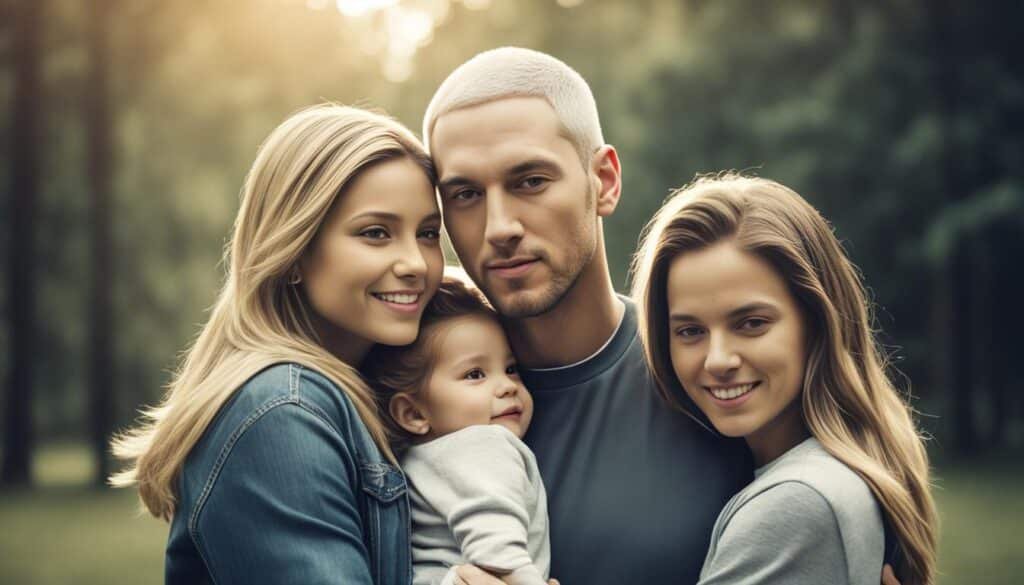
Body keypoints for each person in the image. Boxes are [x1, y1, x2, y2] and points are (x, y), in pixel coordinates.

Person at [421, 47, 752, 584]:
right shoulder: (403, 400)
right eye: (466, 194)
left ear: (604, 180)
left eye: (529, 180)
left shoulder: (717, 376)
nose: (500, 225)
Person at [109, 104, 445, 584]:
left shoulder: (363, 391)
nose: (415, 262)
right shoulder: (281, 413)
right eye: (376, 233)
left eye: (428, 233)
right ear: (293, 252)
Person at [631, 173, 938, 584]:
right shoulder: (835, 472)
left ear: (817, 324)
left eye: (752, 323)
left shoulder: (797, 503)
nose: (717, 360)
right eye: (690, 331)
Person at [364, 278, 550, 585]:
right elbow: (499, 557)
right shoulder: (486, 444)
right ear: (413, 413)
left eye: (511, 368)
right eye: (475, 374)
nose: (506, 386)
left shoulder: (415, 461)